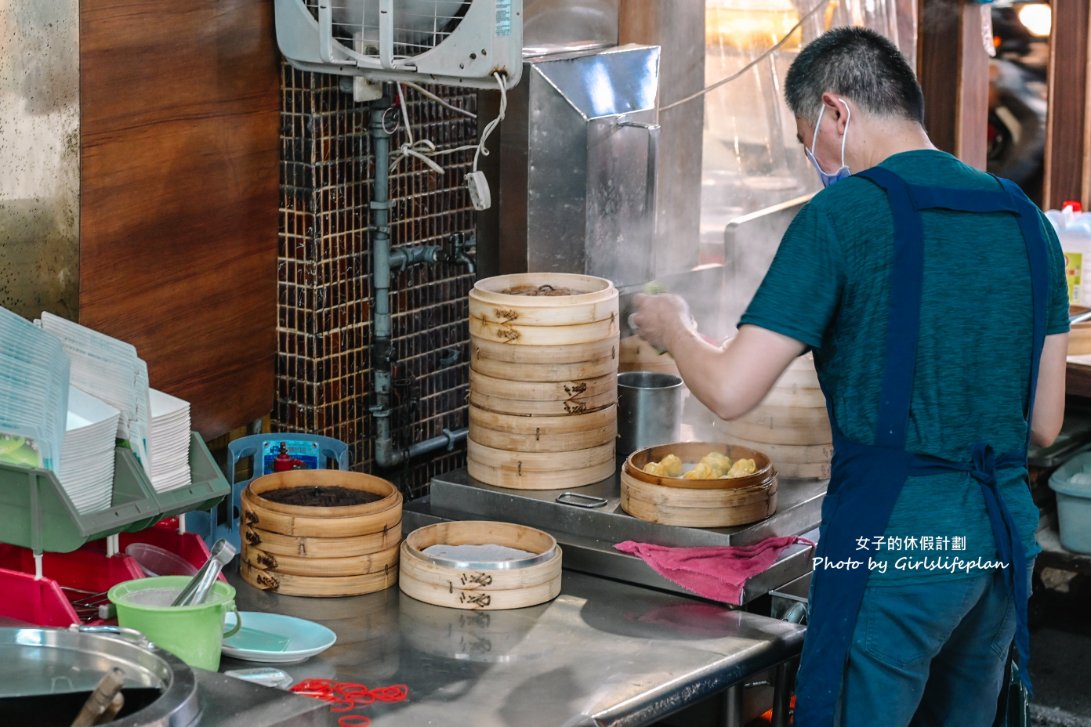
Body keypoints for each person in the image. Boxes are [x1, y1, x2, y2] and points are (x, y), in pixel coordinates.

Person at [629, 26, 1069, 727]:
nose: (814, 161)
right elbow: (1043, 422)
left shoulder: (844, 214)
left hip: (892, 541)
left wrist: (674, 327)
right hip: (998, 539)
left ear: (835, 112)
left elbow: (731, 390)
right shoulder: (1025, 219)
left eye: (808, 138)